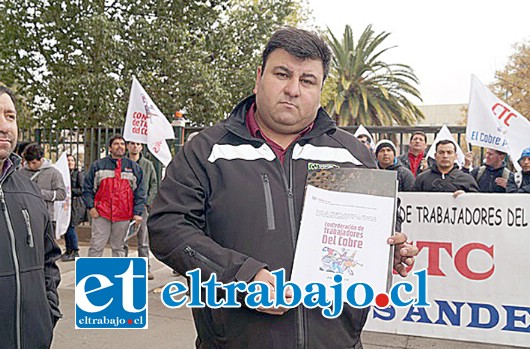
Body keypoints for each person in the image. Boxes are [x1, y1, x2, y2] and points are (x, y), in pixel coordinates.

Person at [148, 27, 418, 348]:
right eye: (282, 74)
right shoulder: (207, 150)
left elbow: (380, 223)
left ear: (319, 89)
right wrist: (241, 277)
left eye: (307, 81)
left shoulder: (351, 154)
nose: (293, 89)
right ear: (260, 76)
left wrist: (390, 247)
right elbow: (168, 228)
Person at [0, 86, 62, 347]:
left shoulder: (29, 189)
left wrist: (48, 313)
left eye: (10, 116)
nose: (4, 126)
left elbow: (49, 259)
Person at [82, 134, 146, 257]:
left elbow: (140, 193)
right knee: (96, 246)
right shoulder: (98, 166)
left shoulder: (134, 168)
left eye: (122, 144)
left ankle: (118, 275)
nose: (119, 146)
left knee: (119, 248)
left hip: (123, 214)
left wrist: (137, 213)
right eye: (116, 144)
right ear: (110, 148)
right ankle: (92, 274)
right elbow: (87, 188)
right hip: (101, 213)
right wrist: (91, 207)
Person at [125, 141, 158, 279]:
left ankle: (145, 268)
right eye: (132, 143)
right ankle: (123, 268)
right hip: (124, 206)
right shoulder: (122, 163)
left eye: (138, 144)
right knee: (122, 238)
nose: (135, 146)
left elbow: (154, 184)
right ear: (128, 146)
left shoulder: (148, 165)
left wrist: (147, 202)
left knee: (143, 240)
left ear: (141, 147)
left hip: (142, 207)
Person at [18, 142, 67, 228]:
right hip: (24, 215)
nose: (30, 166)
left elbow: (62, 194)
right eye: (28, 162)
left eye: (33, 163)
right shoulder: (21, 172)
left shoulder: (54, 173)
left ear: (41, 159)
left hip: (45, 216)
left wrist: (39, 193)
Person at [412, 139, 479, 194]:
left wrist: (466, 197)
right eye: (441, 152)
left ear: (455, 156)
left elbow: (476, 204)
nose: (445, 156)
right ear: (435, 156)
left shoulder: (466, 179)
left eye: (449, 152)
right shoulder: (422, 179)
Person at [61, 154, 85, 261]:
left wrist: (70, 191)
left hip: (75, 205)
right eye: (68, 160)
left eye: (72, 160)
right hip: (66, 205)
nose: (70, 162)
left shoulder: (78, 174)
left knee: (71, 227)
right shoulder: (63, 174)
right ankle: (68, 250)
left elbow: (82, 190)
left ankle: (75, 250)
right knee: (66, 227)